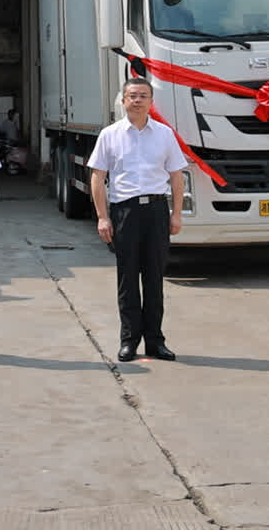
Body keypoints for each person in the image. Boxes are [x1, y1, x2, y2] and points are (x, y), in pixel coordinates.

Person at [88, 78, 188, 362]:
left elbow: (177, 176)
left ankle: (155, 341)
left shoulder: (165, 134)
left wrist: (177, 213)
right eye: (132, 95)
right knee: (128, 278)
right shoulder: (110, 135)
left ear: (151, 101)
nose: (138, 100)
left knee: (155, 279)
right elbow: (98, 177)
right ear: (123, 100)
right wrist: (102, 217)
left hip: (156, 211)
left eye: (143, 95)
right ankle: (129, 340)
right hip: (125, 212)